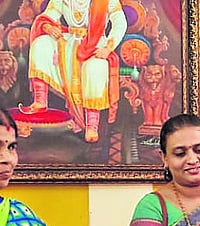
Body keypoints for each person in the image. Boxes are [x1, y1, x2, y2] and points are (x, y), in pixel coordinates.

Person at [20, 0, 127, 142]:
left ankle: (92, 125)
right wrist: (48, 27)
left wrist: (108, 48)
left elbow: (120, 24)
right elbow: (49, 16)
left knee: (95, 67)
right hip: (68, 41)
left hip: (95, 44)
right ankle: (40, 101)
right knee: (41, 44)